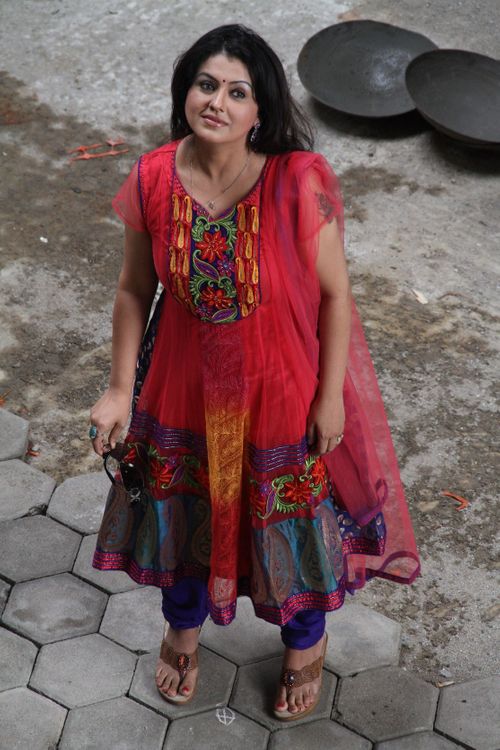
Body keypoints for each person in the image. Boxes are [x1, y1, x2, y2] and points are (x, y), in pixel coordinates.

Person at [90, 24, 420, 720]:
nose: (217, 102)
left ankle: (304, 641)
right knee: (180, 513)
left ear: (260, 111)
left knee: (289, 525)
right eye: (206, 85)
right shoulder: (152, 178)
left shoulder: (297, 181)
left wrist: (329, 397)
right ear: (185, 92)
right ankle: (183, 630)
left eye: (237, 92)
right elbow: (132, 290)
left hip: (279, 388)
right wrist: (119, 390)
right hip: (180, 385)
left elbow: (335, 296)